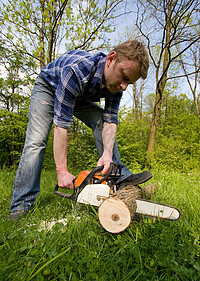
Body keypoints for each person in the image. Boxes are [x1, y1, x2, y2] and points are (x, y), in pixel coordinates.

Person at [9, 40, 152, 221]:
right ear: (111, 59)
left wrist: (107, 154)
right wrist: (62, 171)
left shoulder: (117, 87)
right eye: (124, 77)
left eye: (129, 83)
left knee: (100, 119)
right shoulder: (78, 71)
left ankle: (119, 178)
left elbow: (109, 122)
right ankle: (21, 205)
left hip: (78, 96)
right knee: (36, 141)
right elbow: (61, 124)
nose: (124, 86)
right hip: (49, 88)